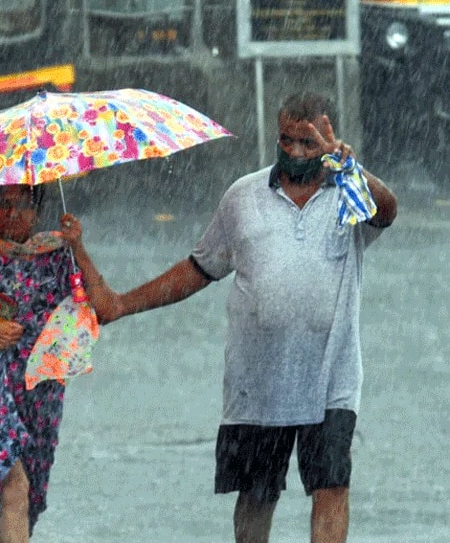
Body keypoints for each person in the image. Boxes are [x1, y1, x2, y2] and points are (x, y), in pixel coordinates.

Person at [106, 92, 398, 543]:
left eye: (308, 142)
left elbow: (389, 211)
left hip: (331, 377)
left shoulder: (350, 192)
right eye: (287, 140)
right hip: (258, 379)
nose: (296, 152)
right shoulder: (242, 196)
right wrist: (124, 303)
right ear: (276, 134)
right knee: (257, 494)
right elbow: (198, 267)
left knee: (332, 486)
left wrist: (352, 168)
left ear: (328, 138)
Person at [0, 184, 118, 543]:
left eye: (24, 205)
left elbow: (104, 307)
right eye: (4, 204)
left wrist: (77, 246)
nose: (14, 213)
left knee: (30, 495)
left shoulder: (57, 254)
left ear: (38, 212)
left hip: (40, 389)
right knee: (10, 481)